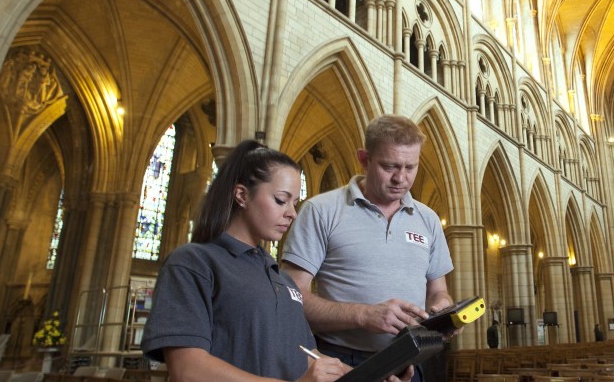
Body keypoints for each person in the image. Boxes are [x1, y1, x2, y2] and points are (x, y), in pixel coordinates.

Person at [140, 140, 352, 381]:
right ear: (242, 195)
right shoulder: (193, 263)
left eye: (295, 202)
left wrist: (376, 374)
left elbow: (307, 355)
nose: (292, 213)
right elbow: (188, 369)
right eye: (281, 200)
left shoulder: (282, 279)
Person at [282, 114, 455, 382]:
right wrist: (364, 315)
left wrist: (442, 311)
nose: (401, 178)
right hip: (342, 360)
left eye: (411, 167)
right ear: (364, 159)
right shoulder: (322, 210)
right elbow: (290, 297)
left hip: (412, 361)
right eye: (390, 166)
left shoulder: (428, 219)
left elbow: (438, 291)